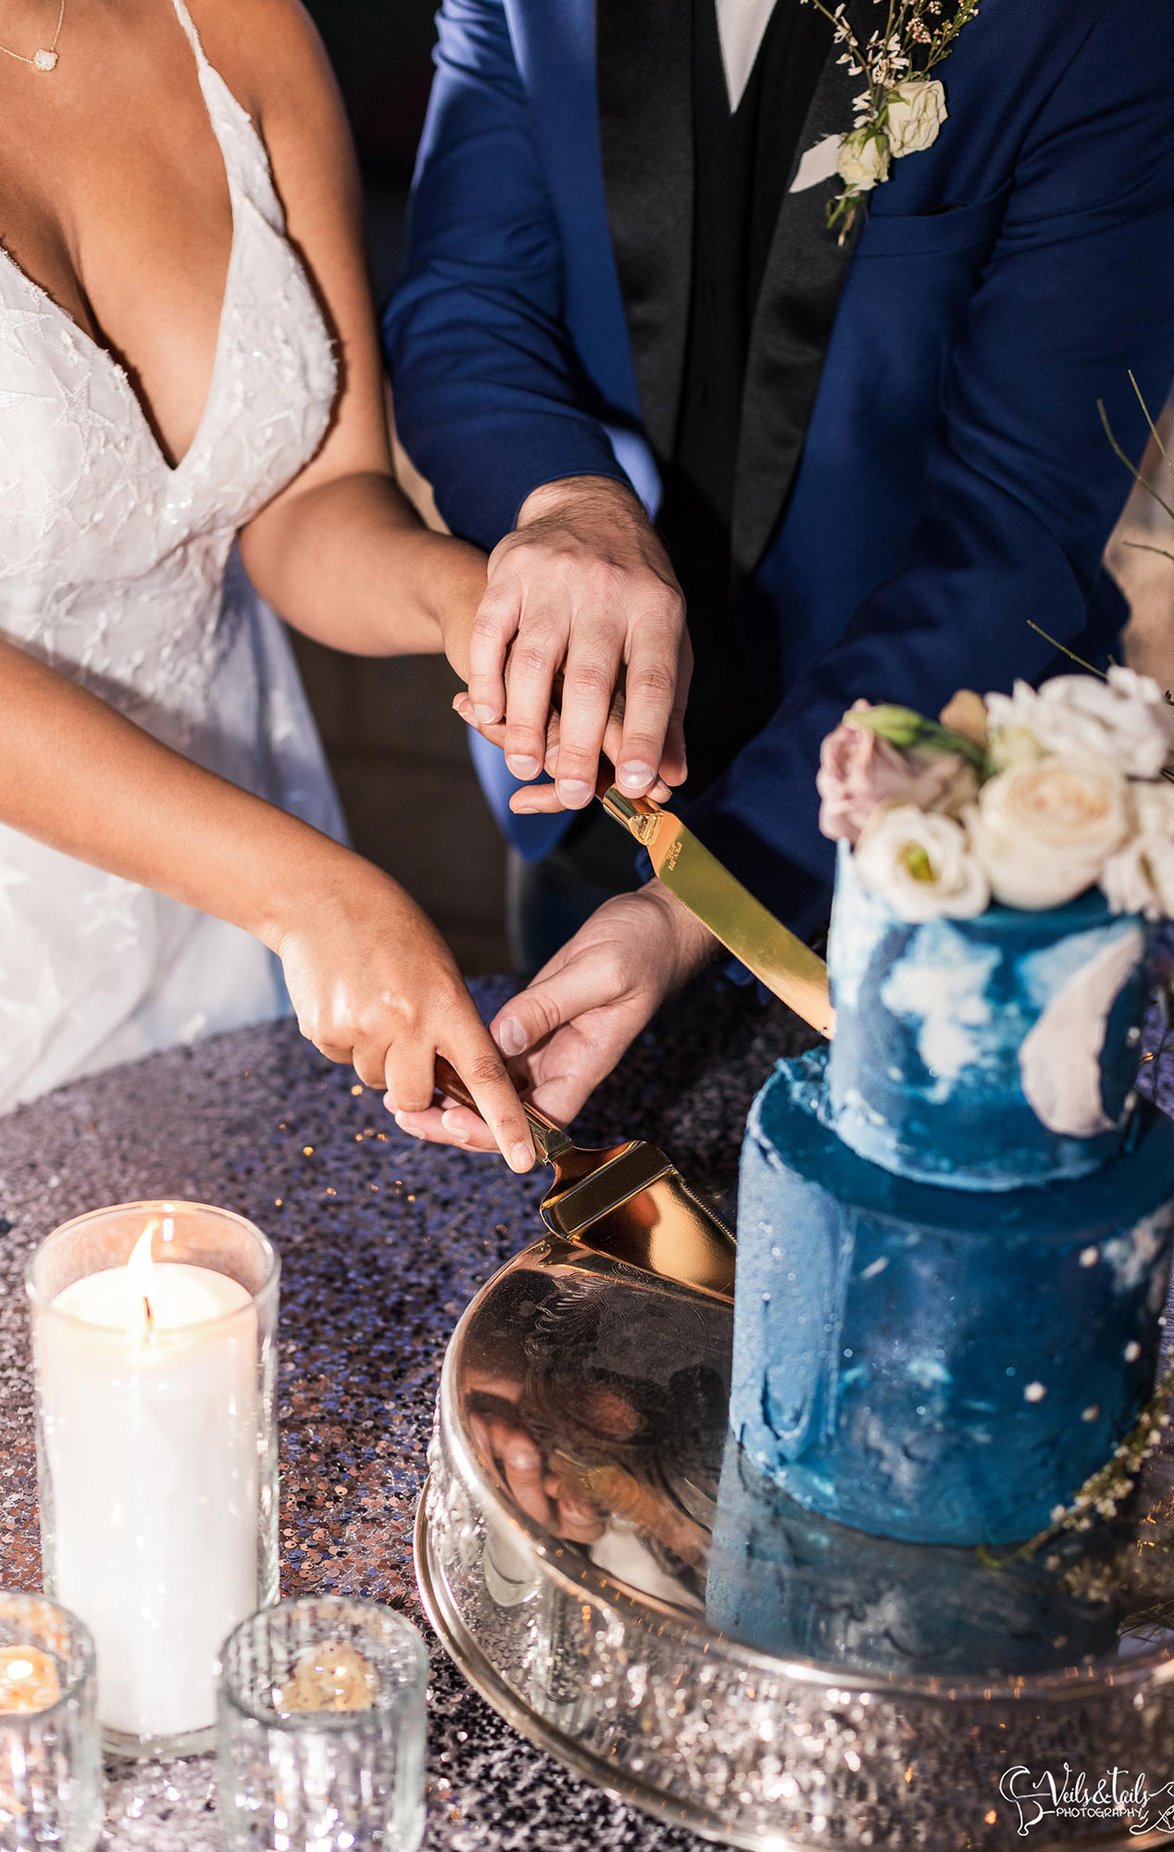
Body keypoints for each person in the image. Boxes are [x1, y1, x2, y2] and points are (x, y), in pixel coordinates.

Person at [382, 0, 1174, 1156]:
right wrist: (563, 498)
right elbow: (467, 304)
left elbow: (1017, 521)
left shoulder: (1119, 24)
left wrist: (705, 899)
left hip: (941, 842)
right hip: (579, 790)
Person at [0, 0, 681, 1155]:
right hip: (206, 891)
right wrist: (306, 895)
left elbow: (313, 498)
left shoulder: (235, 22)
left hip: (232, 865)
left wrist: (474, 606)